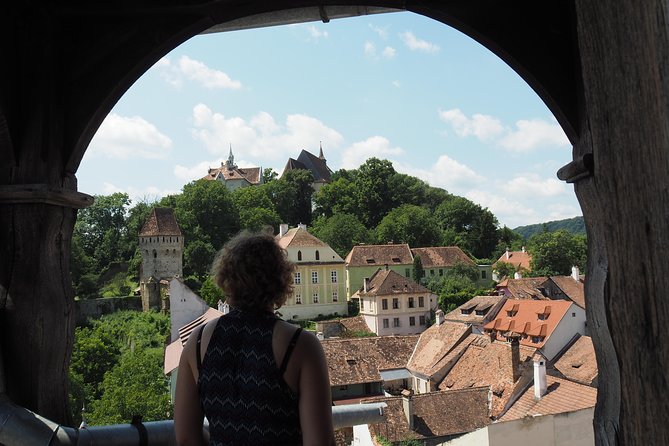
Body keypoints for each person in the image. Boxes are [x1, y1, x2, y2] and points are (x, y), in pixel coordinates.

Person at [174, 231, 335, 446]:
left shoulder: (197, 342)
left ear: (227, 280)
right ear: (281, 280)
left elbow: (186, 438)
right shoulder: (300, 345)